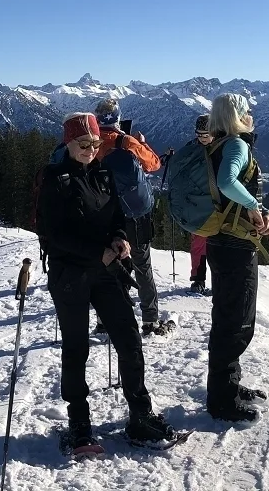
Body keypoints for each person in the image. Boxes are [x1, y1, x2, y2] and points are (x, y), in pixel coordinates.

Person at [37, 112, 177, 451]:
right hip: (70, 274)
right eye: (83, 144)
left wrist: (119, 238)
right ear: (68, 142)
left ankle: (140, 416)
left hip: (105, 269)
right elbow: (52, 235)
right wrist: (96, 252)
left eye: (95, 144)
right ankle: (79, 425)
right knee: (76, 349)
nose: (90, 150)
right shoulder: (54, 179)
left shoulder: (102, 174)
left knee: (129, 339)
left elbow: (116, 216)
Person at [205, 93, 269, 422]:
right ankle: (222, 399)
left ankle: (227, 385)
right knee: (237, 323)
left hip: (221, 242)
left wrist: (258, 209)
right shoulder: (236, 145)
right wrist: (254, 207)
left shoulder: (217, 144)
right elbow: (226, 182)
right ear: (237, 116)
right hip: (235, 246)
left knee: (228, 317)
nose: (251, 116)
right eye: (247, 111)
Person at [93, 98, 173, 337]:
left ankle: (104, 320)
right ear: (118, 117)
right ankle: (150, 320)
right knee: (142, 264)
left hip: (105, 215)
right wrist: (142, 143)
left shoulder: (91, 144)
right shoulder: (127, 142)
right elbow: (154, 164)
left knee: (108, 266)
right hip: (134, 214)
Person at [188, 114, 213, 295]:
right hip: (197, 203)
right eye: (200, 135)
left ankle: (219, 279)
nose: (203, 138)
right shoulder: (191, 148)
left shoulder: (221, 147)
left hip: (216, 202)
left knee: (218, 245)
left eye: (206, 135)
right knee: (198, 244)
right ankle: (198, 278)